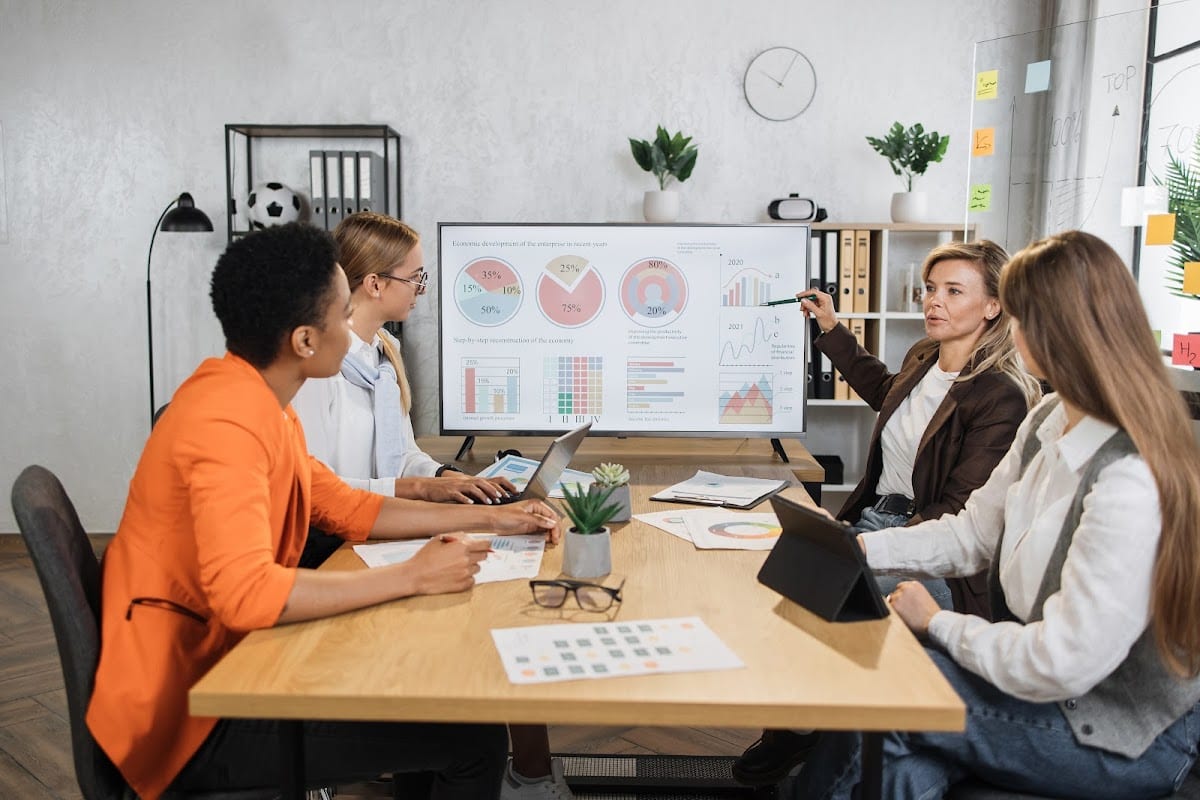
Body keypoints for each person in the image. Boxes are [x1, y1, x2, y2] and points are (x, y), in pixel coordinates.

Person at [86, 223, 560, 800]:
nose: (356, 331)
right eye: (343, 314)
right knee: (474, 739)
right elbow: (248, 595)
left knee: (442, 711)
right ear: (307, 340)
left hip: (229, 668)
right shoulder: (224, 424)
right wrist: (412, 576)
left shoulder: (258, 403)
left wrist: (496, 520)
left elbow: (350, 508)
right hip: (191, 716)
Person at [789, 230, 1200, 799]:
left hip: (1118, 731)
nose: (1015, 326)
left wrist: (936, 623)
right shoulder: (1049, 418)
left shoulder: (1128, 478)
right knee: (903, 768)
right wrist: (859, 548)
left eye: (1023, 314)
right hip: (1044, 690)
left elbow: (1062, 662)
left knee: (902, 686)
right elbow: (970, 534)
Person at [734, 240, 1041, 786]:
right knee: (785, 580)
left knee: (827, 594)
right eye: (929, 289)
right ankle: (799, 726)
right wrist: (831, 327)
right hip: (876, 519)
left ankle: (806, 734)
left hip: (933, 545)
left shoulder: (1000, 396)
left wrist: (864, 546)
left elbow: (959, 515)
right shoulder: (925, 356)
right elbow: (883, 391)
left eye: (953, 291)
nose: (934, 301)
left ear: (993, 306)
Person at [291, 211, 572, 800]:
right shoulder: (320, 370)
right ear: (373, 284)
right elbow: (324, 490)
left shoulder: (382, 354)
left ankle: (490, 764)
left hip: (378, 528)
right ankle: (494, 764)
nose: (422, 290)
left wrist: (449, 479)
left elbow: (405, 457)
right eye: (415, 278)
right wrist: (428, 492)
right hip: (338, 544)